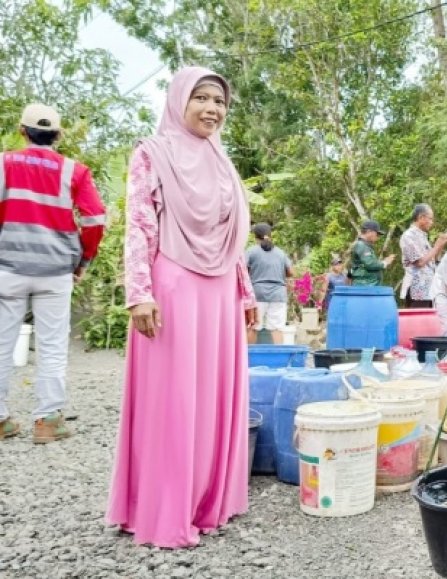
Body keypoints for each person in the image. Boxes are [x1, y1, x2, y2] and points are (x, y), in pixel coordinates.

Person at [106, 67, 257, 548]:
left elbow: (229, 237)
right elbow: (138, 223)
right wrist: (139, 292)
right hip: (172, 285)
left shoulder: (221, 161)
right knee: (173, 401)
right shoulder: (153, 153)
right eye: (202, 97)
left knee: (212, 396)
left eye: (220, 101)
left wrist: (246, 291)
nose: (213, 108)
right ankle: (164, 511)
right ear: (178, 100)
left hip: (219, 293)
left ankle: (208, 502)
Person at [0, 103, 106, 443]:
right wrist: (84, 261)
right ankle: (47, 420)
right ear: (58, 135)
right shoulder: (74, 171)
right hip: (56, 270)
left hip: (8, 267)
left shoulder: (4, 163)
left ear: (22, 131)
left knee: (2, 343)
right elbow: (95, 219)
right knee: (52, 345)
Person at [246, 222, 293, 344]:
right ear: (270, 235)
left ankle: (250, 358)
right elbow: (290, 272)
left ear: (255, 237)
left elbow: (243, 271)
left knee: (253, 326)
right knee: (277, 328)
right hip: (278, 294)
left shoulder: (251, 251)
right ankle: (279, 359)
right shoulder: (280, 252)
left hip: (258, 293)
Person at [399, 204, 447, 307]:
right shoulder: (408, 236)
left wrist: (440, 245)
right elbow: (420, 262)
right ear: (421, 218)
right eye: (430, 219)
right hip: (417, 289)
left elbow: (431, 259)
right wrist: (437, 246)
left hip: (428, 289)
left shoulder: (422, 236)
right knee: (417, 321)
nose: (432, 223)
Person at [349, 219, 394, 286]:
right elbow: (370, 264)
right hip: (364, 286)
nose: (377, 237)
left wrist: (383, 262)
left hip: (369, 286)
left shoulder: (365, 246)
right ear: (369, 231)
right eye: (377, 234)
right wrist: (385, 263)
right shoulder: (361, 245)